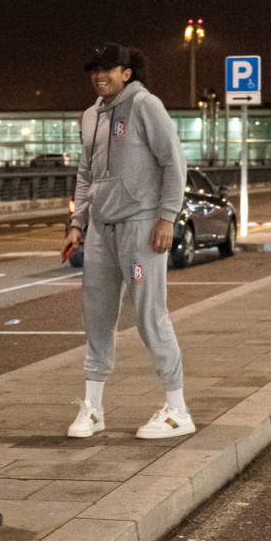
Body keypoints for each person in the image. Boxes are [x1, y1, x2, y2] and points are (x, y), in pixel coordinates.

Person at [61, 42, 196, 440]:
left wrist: (166, 217)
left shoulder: (145, 105)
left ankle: (177, 409)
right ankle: (93, 408)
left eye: (109, 69)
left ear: (127, 72)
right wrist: (76, 223)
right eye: (95, 69)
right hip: (101, 231)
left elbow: (174, 162)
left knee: (148, 315)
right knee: (97, 316)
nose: (99, 75)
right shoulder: (90, 116)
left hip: (140, 228)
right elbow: (86, 173)